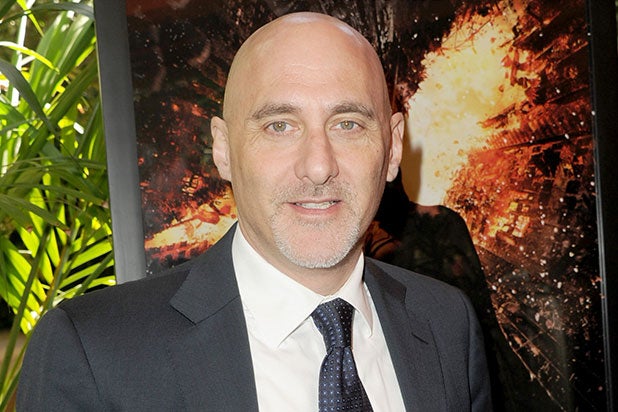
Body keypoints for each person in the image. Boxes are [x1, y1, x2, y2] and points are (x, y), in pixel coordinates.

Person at [17, 12, 492, 411]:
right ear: (223, 150)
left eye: (348, 124)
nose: (318, 166)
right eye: (280, 125)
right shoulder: (93, 352)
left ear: (392, 149)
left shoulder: (446, 324)